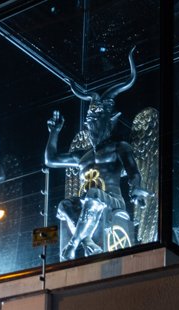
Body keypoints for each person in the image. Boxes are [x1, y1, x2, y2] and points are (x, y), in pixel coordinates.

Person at [44, 47, 149, 262]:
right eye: (90, 116)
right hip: (88, 202)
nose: (90, 121)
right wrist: (54, 133)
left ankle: (73, 246)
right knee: (64, 205)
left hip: (113, 202)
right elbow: (50, 160)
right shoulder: (81, 156)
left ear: (108, 120)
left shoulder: (119, 147)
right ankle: (87, 242)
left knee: (92, 194)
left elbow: (133, 172)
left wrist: (137, 189)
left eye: (96, 116)